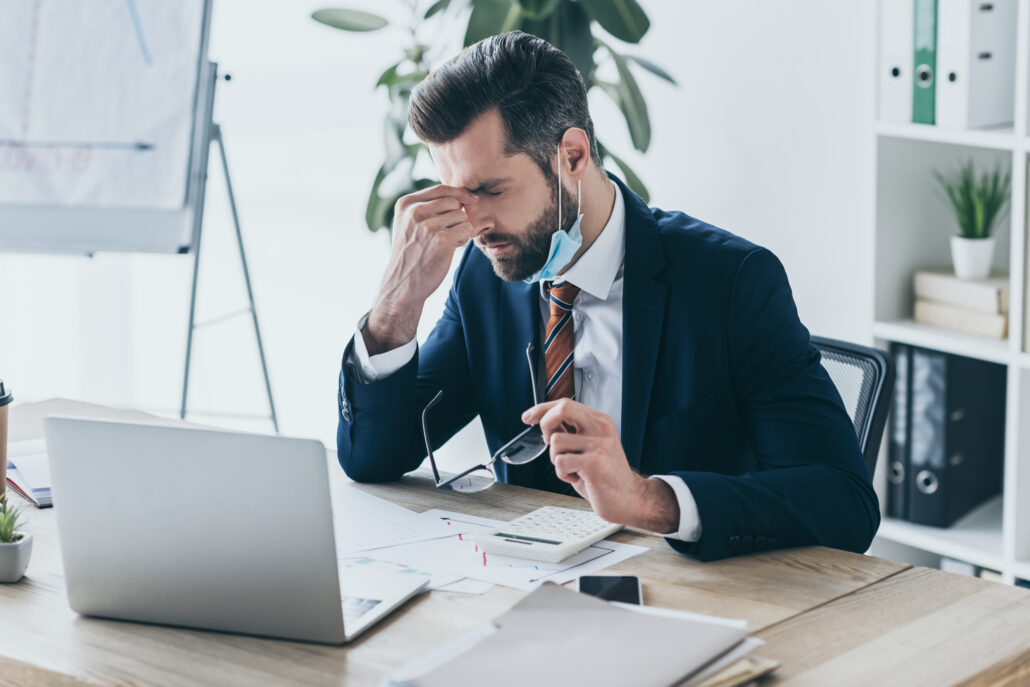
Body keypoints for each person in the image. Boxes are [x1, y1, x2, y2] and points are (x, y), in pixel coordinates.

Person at [336, 31, 878, 561]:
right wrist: (397, 302)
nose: (472, 222)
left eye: (491, 190)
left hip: (696, 601)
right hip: (528, 600)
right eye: (455, 194)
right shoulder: (485, 275)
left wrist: (649, 500)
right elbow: (375, 457)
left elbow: (844, 502)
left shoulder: (732, 282)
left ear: (572, 155)